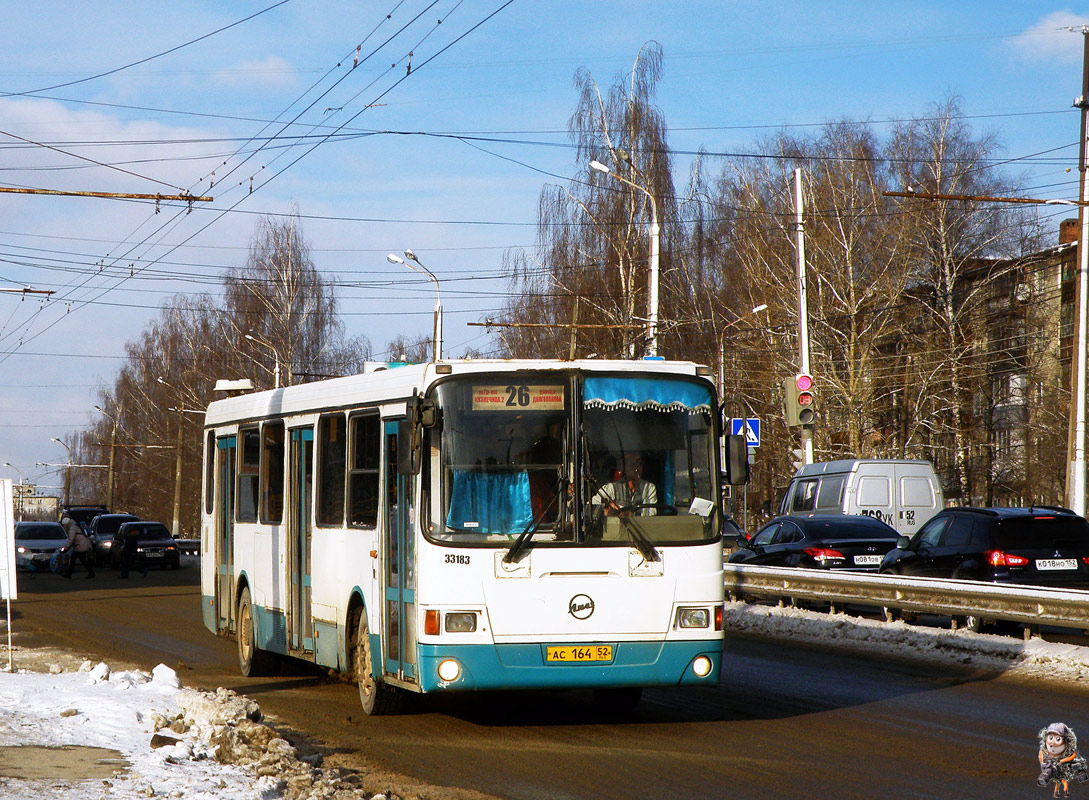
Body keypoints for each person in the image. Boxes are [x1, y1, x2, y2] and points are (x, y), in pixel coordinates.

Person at [593, 453, 658, 517]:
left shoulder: (649, 488)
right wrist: (606, 510)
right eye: (633, 465)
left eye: (640, 465)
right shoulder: (612, 488)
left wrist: (629, 514)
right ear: (623, 468)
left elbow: (651, 516)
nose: (636, 469)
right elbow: (592, 507)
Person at [60, 514, 95, 579]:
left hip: (81, 546)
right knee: (77, 559)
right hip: (82, 545)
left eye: (64, 525)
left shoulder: (72, 528)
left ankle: (91, 573)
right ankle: (69, 574)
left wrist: (66, 548)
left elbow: (71, 539)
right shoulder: (74, 526)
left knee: (79, 560)